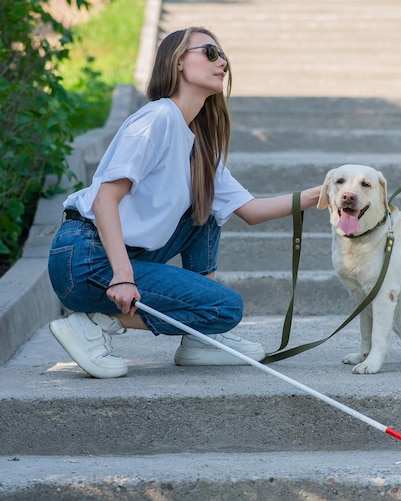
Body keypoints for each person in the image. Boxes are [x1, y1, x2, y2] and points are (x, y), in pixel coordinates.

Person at [47, 26, 321, 379]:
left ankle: (199, 341)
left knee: (205, 210)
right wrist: (122, 276)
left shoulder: (199, 146)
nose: (221, 62)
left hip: (121, 255)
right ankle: (96, 323)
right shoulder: (157, 118)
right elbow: (104, 199)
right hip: (84, 259)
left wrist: (321, 194)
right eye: (210, 52)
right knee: (225, 307)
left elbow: (250, 211)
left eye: (223, 55)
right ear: (177, 62)